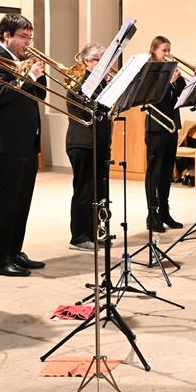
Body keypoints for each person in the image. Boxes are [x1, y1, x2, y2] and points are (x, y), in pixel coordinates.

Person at [0, 13, 48, 277]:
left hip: (26, 141)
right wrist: (27, 77)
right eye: (23, 37)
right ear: (6, 36)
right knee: (7, 202)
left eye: (30, 37)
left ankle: (14, 251)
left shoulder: (22, 60)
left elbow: (40, 95)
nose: (27, 43)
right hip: (5, 142)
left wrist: (37, 75)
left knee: (22, 201)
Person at [66, 43, 112, 250]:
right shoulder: (77, 82)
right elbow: (85, 109)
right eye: (99, 61)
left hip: (100, 140)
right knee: (84, 190)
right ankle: (79, 236)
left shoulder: (102, 83)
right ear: (87, 61)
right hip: (82, 142)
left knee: (98, 190)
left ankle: (94, 233)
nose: (103, 65)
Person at [144, 35, 184, 232]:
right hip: (156, 127)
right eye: (164, 50)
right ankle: (152, 215)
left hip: (171, 126)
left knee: (167, 172)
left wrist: (176, 81)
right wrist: (169, 83)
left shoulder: (172, 70)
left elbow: (184, 93)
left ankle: (164, 212)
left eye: (169, 50)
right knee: (155, 172)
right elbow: (152, 97)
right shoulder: (149, 71)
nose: (167, 54)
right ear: (154, 50)